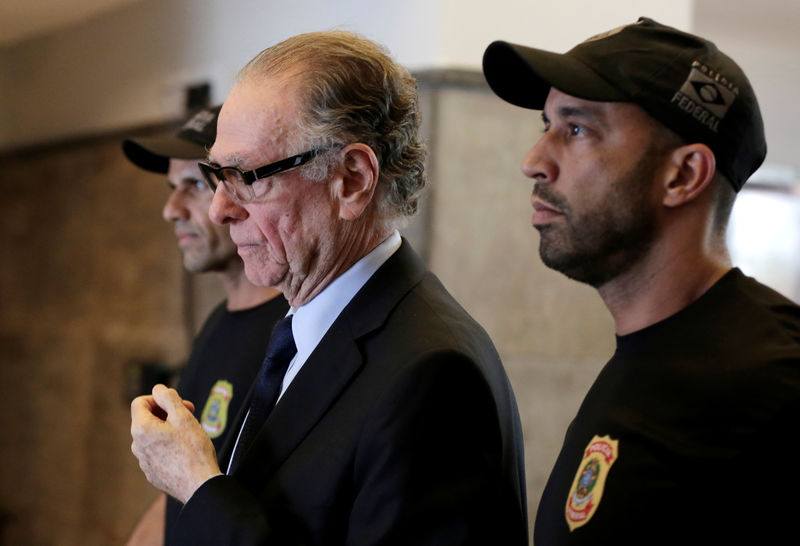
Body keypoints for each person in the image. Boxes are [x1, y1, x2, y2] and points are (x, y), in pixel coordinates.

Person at [129, 31, 528, 545]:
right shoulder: (306, 328)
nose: (219, 209)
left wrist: (199, 487)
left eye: (246, 176)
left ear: (353, 179)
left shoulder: (433, 372)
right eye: (216, 175)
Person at [483, 17, 800, 544]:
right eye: (547, 126)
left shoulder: (776, 382)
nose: (534, 162)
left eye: (577, 128)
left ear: (682, 176)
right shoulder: (644, 356)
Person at [122, 106, 289, 545]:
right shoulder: (219, 322)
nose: (171, 209)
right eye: (172, 188)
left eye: (194, 185)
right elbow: (182, 488)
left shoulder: (292, 337)